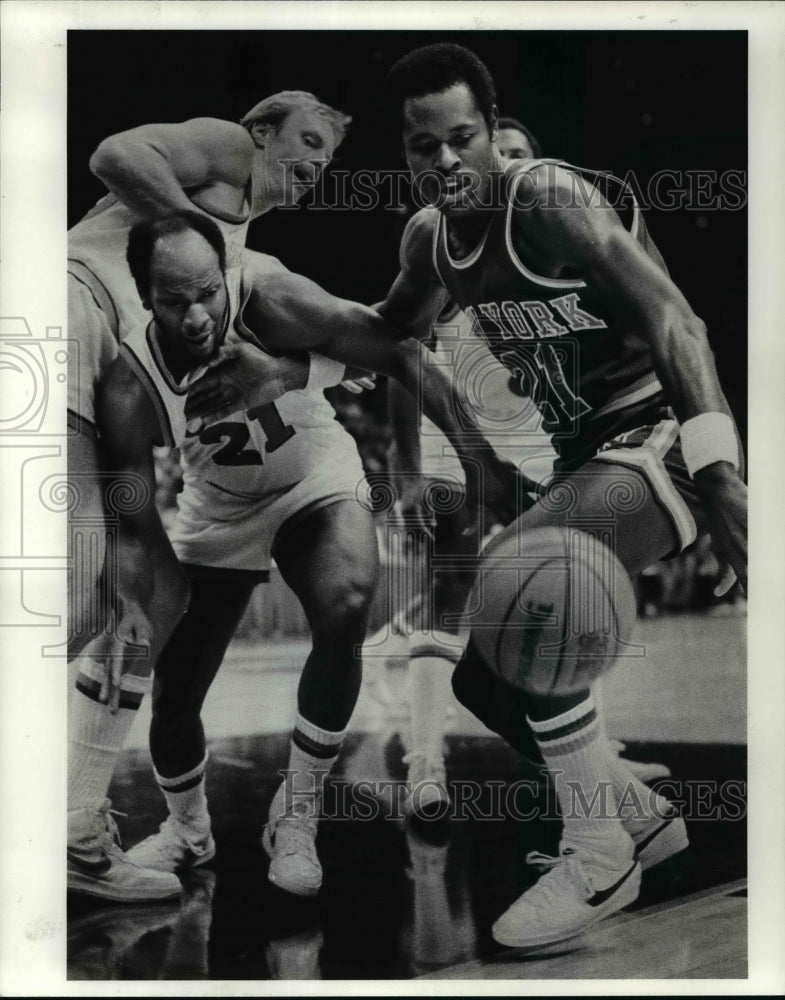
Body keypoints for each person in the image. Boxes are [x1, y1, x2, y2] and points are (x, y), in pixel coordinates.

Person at [377, 43, 746, 949]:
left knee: (523, 574)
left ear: (491, 131)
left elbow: (675, 318)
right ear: (407, 154)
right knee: (479, 681)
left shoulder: (545, 199)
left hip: (658, 433)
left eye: (462, 138)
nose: (447, 162)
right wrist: (275, 349)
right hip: (586, 455)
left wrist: (722, 474)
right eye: (425, 148)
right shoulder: (429, 240)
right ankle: (638, 813)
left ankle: (597, 849)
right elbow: (386, 331)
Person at [93, 212, 536, 902]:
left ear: (227, 275)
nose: (197, 315)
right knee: (174, 695)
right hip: (217, 508)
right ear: (143, 296)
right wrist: (133, 597)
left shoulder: (270, 299)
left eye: (207, 291)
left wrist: (478, 461)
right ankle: (188, 829)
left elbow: (401, 348)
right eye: (174, 301)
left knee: (347, 604)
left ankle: (297, 816)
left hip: (313, 480)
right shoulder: (128, 383)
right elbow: (129, 511)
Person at [66, 92, 361, 901]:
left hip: (101, 362)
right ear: (263, 129)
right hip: (71, 310)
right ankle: (73, 828)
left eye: (327, 158)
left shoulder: (248, 276)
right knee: (88, 607)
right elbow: (114, 151)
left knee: (128, 595)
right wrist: (196, 246)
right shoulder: (228, 152)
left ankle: (73, 825)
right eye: (304, 141)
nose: (313, 164)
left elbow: (376, 342)